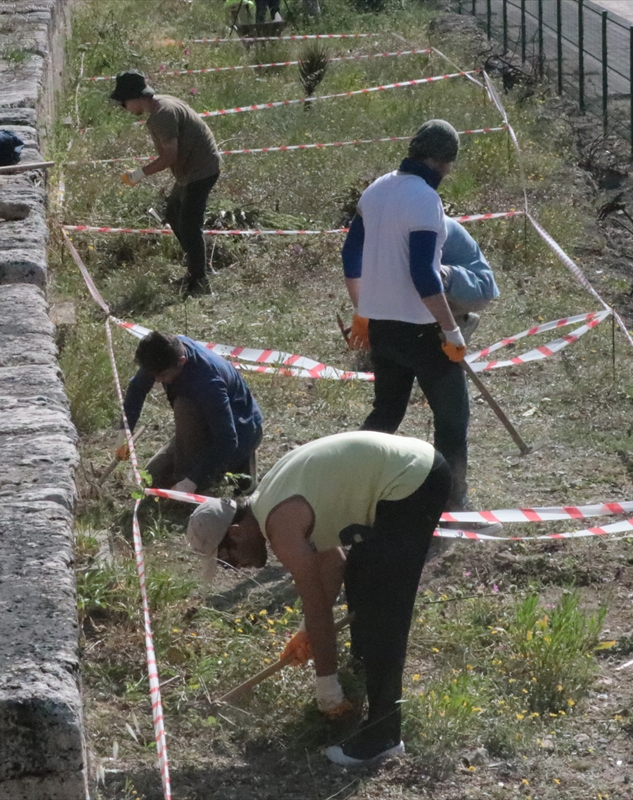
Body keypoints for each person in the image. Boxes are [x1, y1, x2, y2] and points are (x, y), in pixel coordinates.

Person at [186, 431, 452, 767]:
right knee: (362, 578)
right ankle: (362, 673)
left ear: (236, 533)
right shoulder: (271, 501)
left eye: (228, 558)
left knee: (384, 608)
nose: (234, 567)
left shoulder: (279, 524)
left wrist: (326, 687)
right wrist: (306, 631)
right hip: (410, 473)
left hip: (412, 481)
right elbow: (333, 564)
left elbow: (316, 605)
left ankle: (384, 737)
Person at [340, 119, 470, 510]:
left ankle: (350, 481)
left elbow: (350, 254)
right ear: (441, 160)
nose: (446, 173)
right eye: (448, 165)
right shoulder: (424, 199)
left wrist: (362, 309)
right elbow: (422, 274)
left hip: (382, 330)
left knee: (387, 411)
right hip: (421, 331)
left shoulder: (376, 189)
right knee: (452, 418)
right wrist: (451, 330)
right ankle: (450, 502)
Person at [110, 71, 222, 295]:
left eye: (124, 103)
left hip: (200, 171)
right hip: (192, 171)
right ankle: (198, 266)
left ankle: (199, 282)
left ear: (135, 97)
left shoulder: (163, 114)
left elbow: (169, 156)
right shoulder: (163, 104)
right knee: (173, 213)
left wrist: (137, 175)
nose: (124, 108)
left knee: (189, 225)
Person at [121, 331, 263, 494]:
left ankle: (242, 462)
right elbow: (137, 388)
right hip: (205, 423)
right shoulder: (166, 350)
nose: (157, 380)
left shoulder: (208, 382)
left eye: (163, 375)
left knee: (184, 406)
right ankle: (193, 468)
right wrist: (124, 431)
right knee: (152, 479)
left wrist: (191, 481)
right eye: (154, 375)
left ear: (182, 361)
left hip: (240, 430)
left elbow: (227, 440)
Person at [439, 217, 499, 343]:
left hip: (478, 288)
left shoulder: (432, 223)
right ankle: (460, 320)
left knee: (424, 270)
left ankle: (455, 325)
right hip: (457, 285)